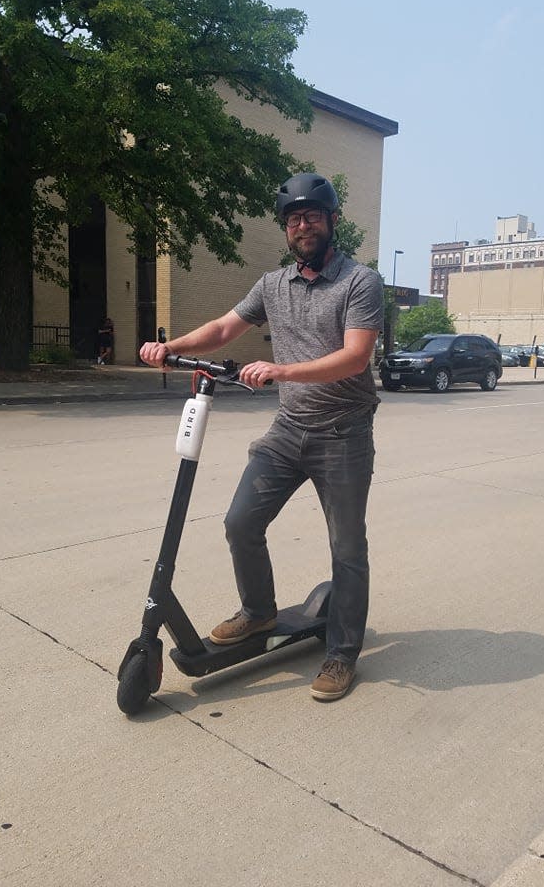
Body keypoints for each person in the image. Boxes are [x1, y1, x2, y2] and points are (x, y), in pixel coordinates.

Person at [139, 172, 384, 701]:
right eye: (294, 219)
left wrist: (281, 371)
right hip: (289, 429)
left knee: (346, 547)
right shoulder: (273, 284)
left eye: (312, 215)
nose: (303, 225)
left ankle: (341, 655)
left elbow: (356, 356)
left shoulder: (359, 282)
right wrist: (170, 345)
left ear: (331, 222)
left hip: (343, 434)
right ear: (286, 229)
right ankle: (258, 611)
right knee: (240, 521)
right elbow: (225, 328)